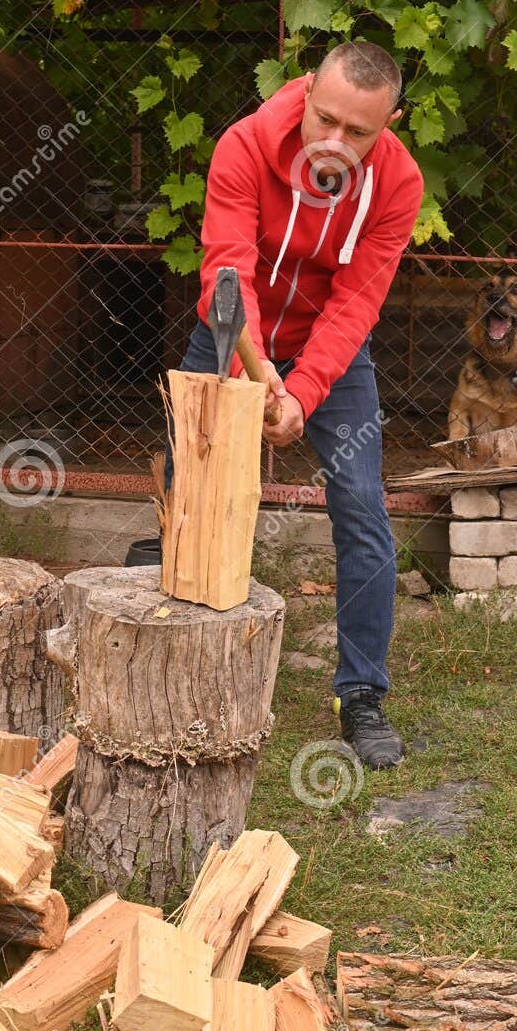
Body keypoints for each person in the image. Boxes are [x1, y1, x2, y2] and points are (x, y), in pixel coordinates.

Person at [170, 41, 423, 768]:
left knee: (361, 508)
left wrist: (301, 393)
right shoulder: (246, 143)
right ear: (307, 90)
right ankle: (181, 669)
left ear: (390, 123)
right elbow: (227, 271)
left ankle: (362, 695)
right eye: (325, 120)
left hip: (327, 349)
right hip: (229, 329)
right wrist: (257, 375)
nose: (335, 142)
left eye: (360, 133)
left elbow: (356, 302)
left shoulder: (399, 182)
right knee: (185, 492)